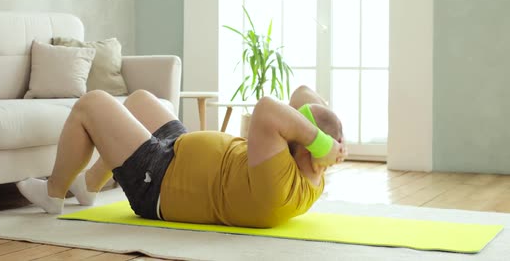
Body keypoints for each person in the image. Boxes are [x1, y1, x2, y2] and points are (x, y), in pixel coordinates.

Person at [17, 85, 347, 228]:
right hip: (180, 153)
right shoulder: (311, 171)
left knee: (91, 103)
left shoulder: (278, 181)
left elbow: (266, 108)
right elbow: (304, 94)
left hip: (159, 182)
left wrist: (320, 140)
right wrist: (330, 146)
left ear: (306, 143)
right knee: (140, 100)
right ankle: (89, 185)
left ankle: (53, 193)